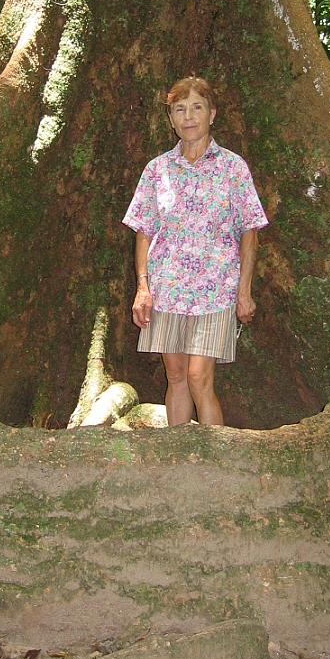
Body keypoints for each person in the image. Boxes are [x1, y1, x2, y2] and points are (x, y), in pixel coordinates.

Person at [123, 76, 268, 426]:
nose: (188, 117)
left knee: (199, 377)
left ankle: (213, 453)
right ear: (171, 118)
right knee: (175, 376)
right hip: (167, 290)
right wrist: (143, 288)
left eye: (197, 107)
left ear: (212, 114)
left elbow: (250, 231)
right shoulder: (157, 170)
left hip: (216, 291)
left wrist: (244, 291)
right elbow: (143, 231)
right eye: (180, 109)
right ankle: (177, 452)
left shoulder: (233, 168)